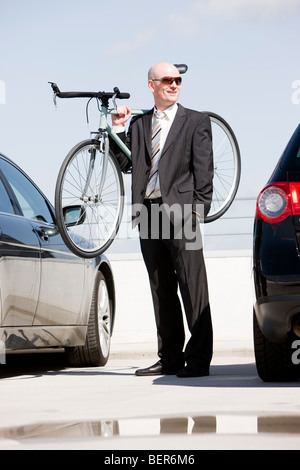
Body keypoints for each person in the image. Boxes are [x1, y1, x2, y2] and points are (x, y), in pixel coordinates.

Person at [111, 62, 214, 378]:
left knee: (192, 285)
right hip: (148, 211)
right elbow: (125, 164)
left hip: (183, 212)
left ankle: (198, 359)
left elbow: (204, 173)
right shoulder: (140, 125)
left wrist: (198, 211)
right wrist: (118, 129)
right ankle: (170, 356)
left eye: (178, 80)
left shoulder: (195, 121)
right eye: (167, 80)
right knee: (161, 286)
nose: (174, 84)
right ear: (151, 85)